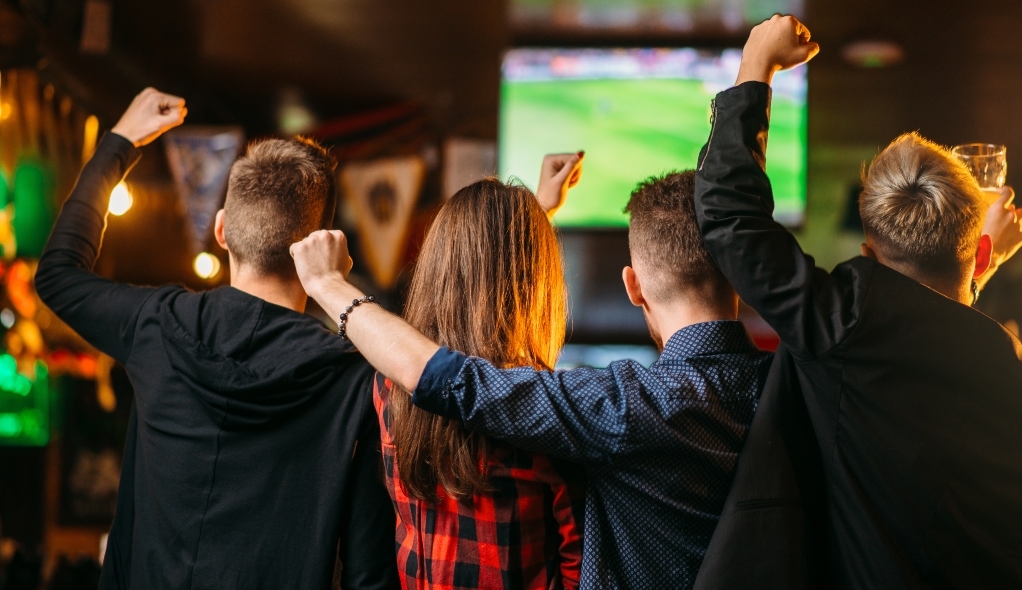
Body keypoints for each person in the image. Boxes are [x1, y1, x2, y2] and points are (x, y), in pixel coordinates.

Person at [692, 16, 1022, 589]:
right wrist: (976, 263)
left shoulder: (837, 324)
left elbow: (729, 216)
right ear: (976, 254)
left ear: (870, 251)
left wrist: (758, 63)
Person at [290, 166, 773, 589]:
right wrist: (527, 229)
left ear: (634, 286)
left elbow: (441, 371)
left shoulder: (389, 389)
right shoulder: (780, 384)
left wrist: (328, 285)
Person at [35, 89, 398, 589]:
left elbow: (57, 274)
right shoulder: (355, 379)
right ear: (323, 247)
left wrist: (119, 143)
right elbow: (369, 570)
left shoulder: (157, 324)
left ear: (222, 230)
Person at [370, 174, 584, 589]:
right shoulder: (544, 403)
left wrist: (534, 216)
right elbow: (580, 562)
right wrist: (527, 233)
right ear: (536, 281)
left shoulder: (390, 384)